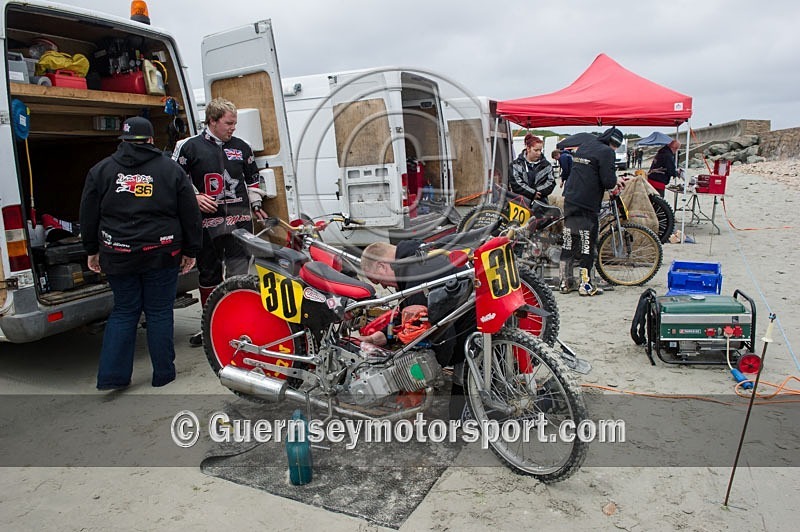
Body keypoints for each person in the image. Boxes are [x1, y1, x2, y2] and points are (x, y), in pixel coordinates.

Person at [80, 117, 202, 390]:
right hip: (162, 252)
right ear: (150, 140)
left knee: (124, 311)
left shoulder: (101, 170)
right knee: (159, 311)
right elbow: (190, 213)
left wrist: (91, 249)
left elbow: (87, 215)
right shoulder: (169, 170)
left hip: (118, 253)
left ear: (122, 140)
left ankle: (112, 378)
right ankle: (163, 375)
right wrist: (191, 250)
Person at [172, 97, 269, 347]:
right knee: (209, 276)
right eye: (228, 123)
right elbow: (175, 180)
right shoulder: (188, 147)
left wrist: (256, 204)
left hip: (239, 224)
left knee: (238, 276)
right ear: (212, 121)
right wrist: (194, 197)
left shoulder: (242, 146)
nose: (232, 128)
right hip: (206, 226)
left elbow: (253, 179)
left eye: (235, 123)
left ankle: (238, 326)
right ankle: (210, 327)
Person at [360, 241, 473, 419]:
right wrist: (384, 335)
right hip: (480, 327)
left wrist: (428, 373)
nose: (381, 287)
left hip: (470, 343)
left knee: (459, 420)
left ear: (381, 266)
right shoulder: (417, 257)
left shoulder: (414, 278)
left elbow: (441, 335)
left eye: (376, 280)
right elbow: (407, 310)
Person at [557, 127, 626, 296]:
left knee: (569, 241)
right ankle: (586, 285)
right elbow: (608, 181)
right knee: (587, 242)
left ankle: (565, 283)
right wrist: (617, 180)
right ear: (614, 143)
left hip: (571, 198)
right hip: (587, 202)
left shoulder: (587, 144)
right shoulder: (607, 152)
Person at [509, 133, 556, 204]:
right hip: (521, 203)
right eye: (536, 150)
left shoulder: (547, 165)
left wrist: (537, 192)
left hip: (541, 203)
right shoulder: (515, 165)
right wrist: (532, 193)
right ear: (528, 148)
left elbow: (551, 182)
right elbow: (516, 183)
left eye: (540, 150)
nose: (539, 153)